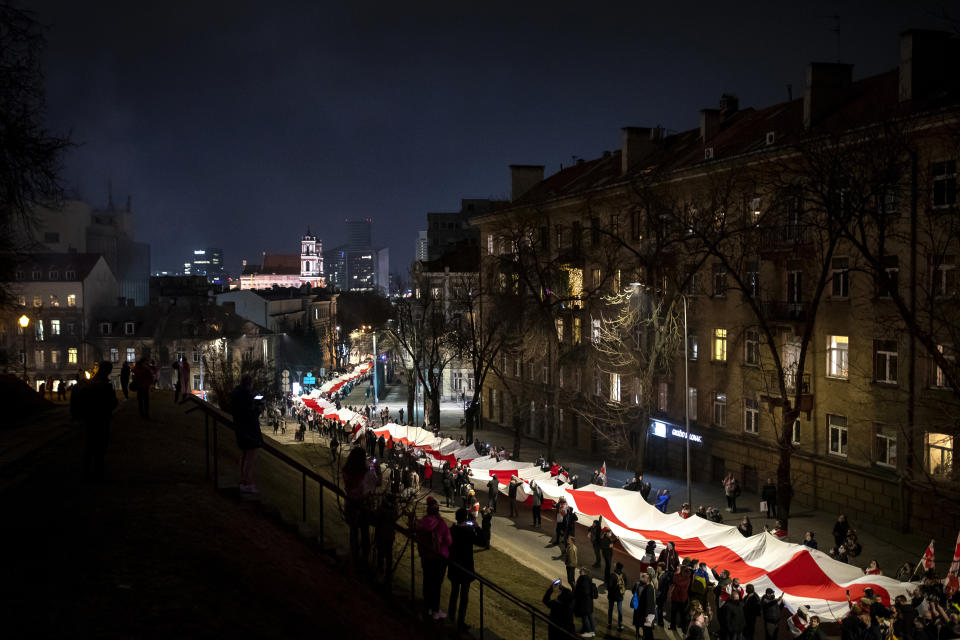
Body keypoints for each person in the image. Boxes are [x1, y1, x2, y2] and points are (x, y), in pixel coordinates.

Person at [70, 361, 119, 480]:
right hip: (102, 419)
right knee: (100, 447)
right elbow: (112, 403)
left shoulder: (88, 384)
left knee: (89, 446)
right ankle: (98, 473)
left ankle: (86, 472)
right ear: (107, 371)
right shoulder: (105, 385)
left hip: (90, 419)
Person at [415, 496, 451, 620]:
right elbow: (449, 541)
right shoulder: (441, 523)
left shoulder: (423, 522)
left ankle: (427, 607)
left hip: (426, 556)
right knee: (436, 585)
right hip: (439, 557)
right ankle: (435, 610)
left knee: (427, 581)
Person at [447, 507, 483, 632]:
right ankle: (460, 621)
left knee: (454, 593)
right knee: (464, 597)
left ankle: (451, 617)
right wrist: (477, 528)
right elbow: (482, 541)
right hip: (465, 568)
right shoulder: (468, 532)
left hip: (454, 566)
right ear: (466, 518)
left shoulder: (452, 530)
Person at [343, 446, 378, 570]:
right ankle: (364, 561)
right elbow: (371, 486)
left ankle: (354, 557)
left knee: (353, 532)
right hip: (363, 505)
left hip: (351, 504)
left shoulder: (347, 470)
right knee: (364, 532)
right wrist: (372, 469)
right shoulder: (366, 472)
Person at [230, 374, 264, 493]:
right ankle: (247, 482)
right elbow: (250, 415)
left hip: (242, 431)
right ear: (249, 385)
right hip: (249, 433)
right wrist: (258, 409)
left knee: (245, 456)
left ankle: (243, 481)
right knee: (251, 458)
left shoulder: (237, 394)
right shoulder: (246, 397)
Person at [573, 567, 599, 637]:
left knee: (584, 617)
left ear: (584, 572)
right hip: (589, 601)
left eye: (581, 571)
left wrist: (576, 589)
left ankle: (589, 631)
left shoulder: (582, 579)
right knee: (590, 616)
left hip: (584, 601)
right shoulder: (589, 579)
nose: (579, 572)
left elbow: (585, 591)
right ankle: (591, 631)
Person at [633, 571, 657, 640]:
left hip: (647, 614)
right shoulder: (648, 587)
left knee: (648, 631)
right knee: (647, 630)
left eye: (645, 577)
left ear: (648, 579)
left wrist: (646, 615)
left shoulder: (649, 588)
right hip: (645, 612)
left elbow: (648, 603)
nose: (643, 578)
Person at [669, 565, 692, 631]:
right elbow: (675, 581)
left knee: (683, 614)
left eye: (679, 568)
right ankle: (673, 626)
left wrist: (676, 575)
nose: (677, 569)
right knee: (673, 613)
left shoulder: (687, 577)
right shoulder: (680, 576)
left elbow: (677, 582)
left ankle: (683, 628)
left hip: (682, 598)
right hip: (676, 597)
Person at [607, 561, 628, 631]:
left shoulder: (612, 575)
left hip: (612, 595)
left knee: (610, 609)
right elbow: (626, 584)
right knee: (620, 610)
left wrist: (610, 591)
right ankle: (620, 624)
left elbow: (609, 586)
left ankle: (609, 623)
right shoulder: (623, 575)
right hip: (620, 595)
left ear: (616, 567)